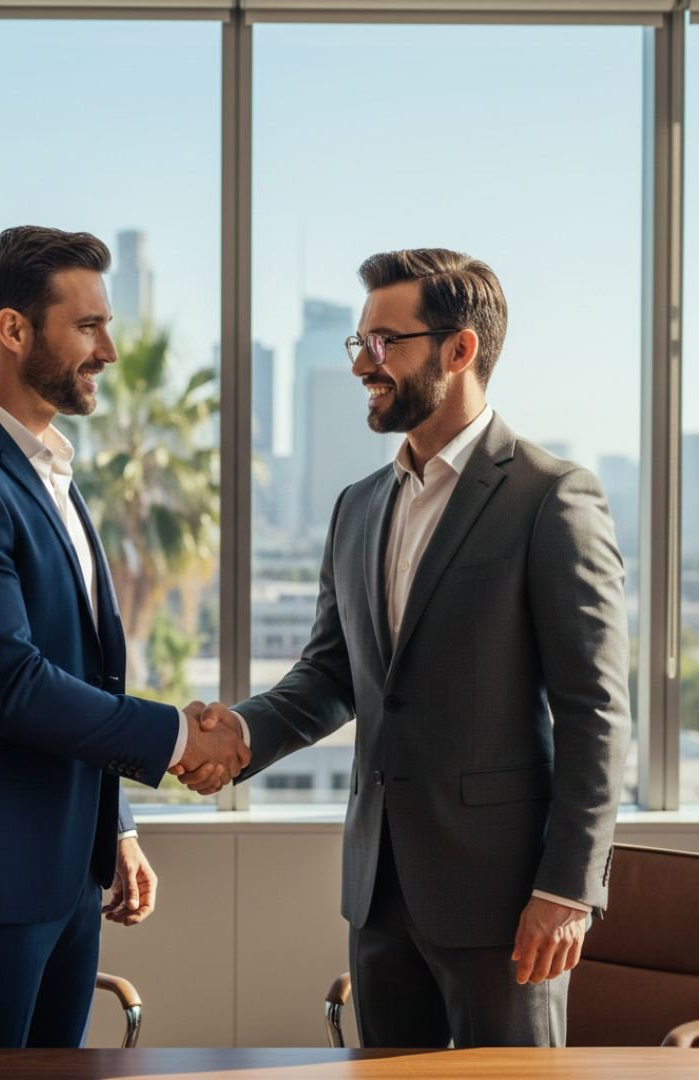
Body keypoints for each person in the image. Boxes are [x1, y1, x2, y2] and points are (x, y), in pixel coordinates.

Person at [182, 248, 631, 1048]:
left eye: (384, 343)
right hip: (378, 891)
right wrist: (240, 734)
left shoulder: (551, 498)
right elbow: (332, 674)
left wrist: (568, 888)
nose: (364, 365)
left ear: (459, 350)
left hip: (506, 900)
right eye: (359, 344)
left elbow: (596, 712)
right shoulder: (359, 507)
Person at [0, 225, 248, 1048]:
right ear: (14, 331)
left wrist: (113, 829)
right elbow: (10, 686)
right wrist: (180, 735)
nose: (108, 350)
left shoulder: (49, 473)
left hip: (66, 877)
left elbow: (82, 672)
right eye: (88, 326)